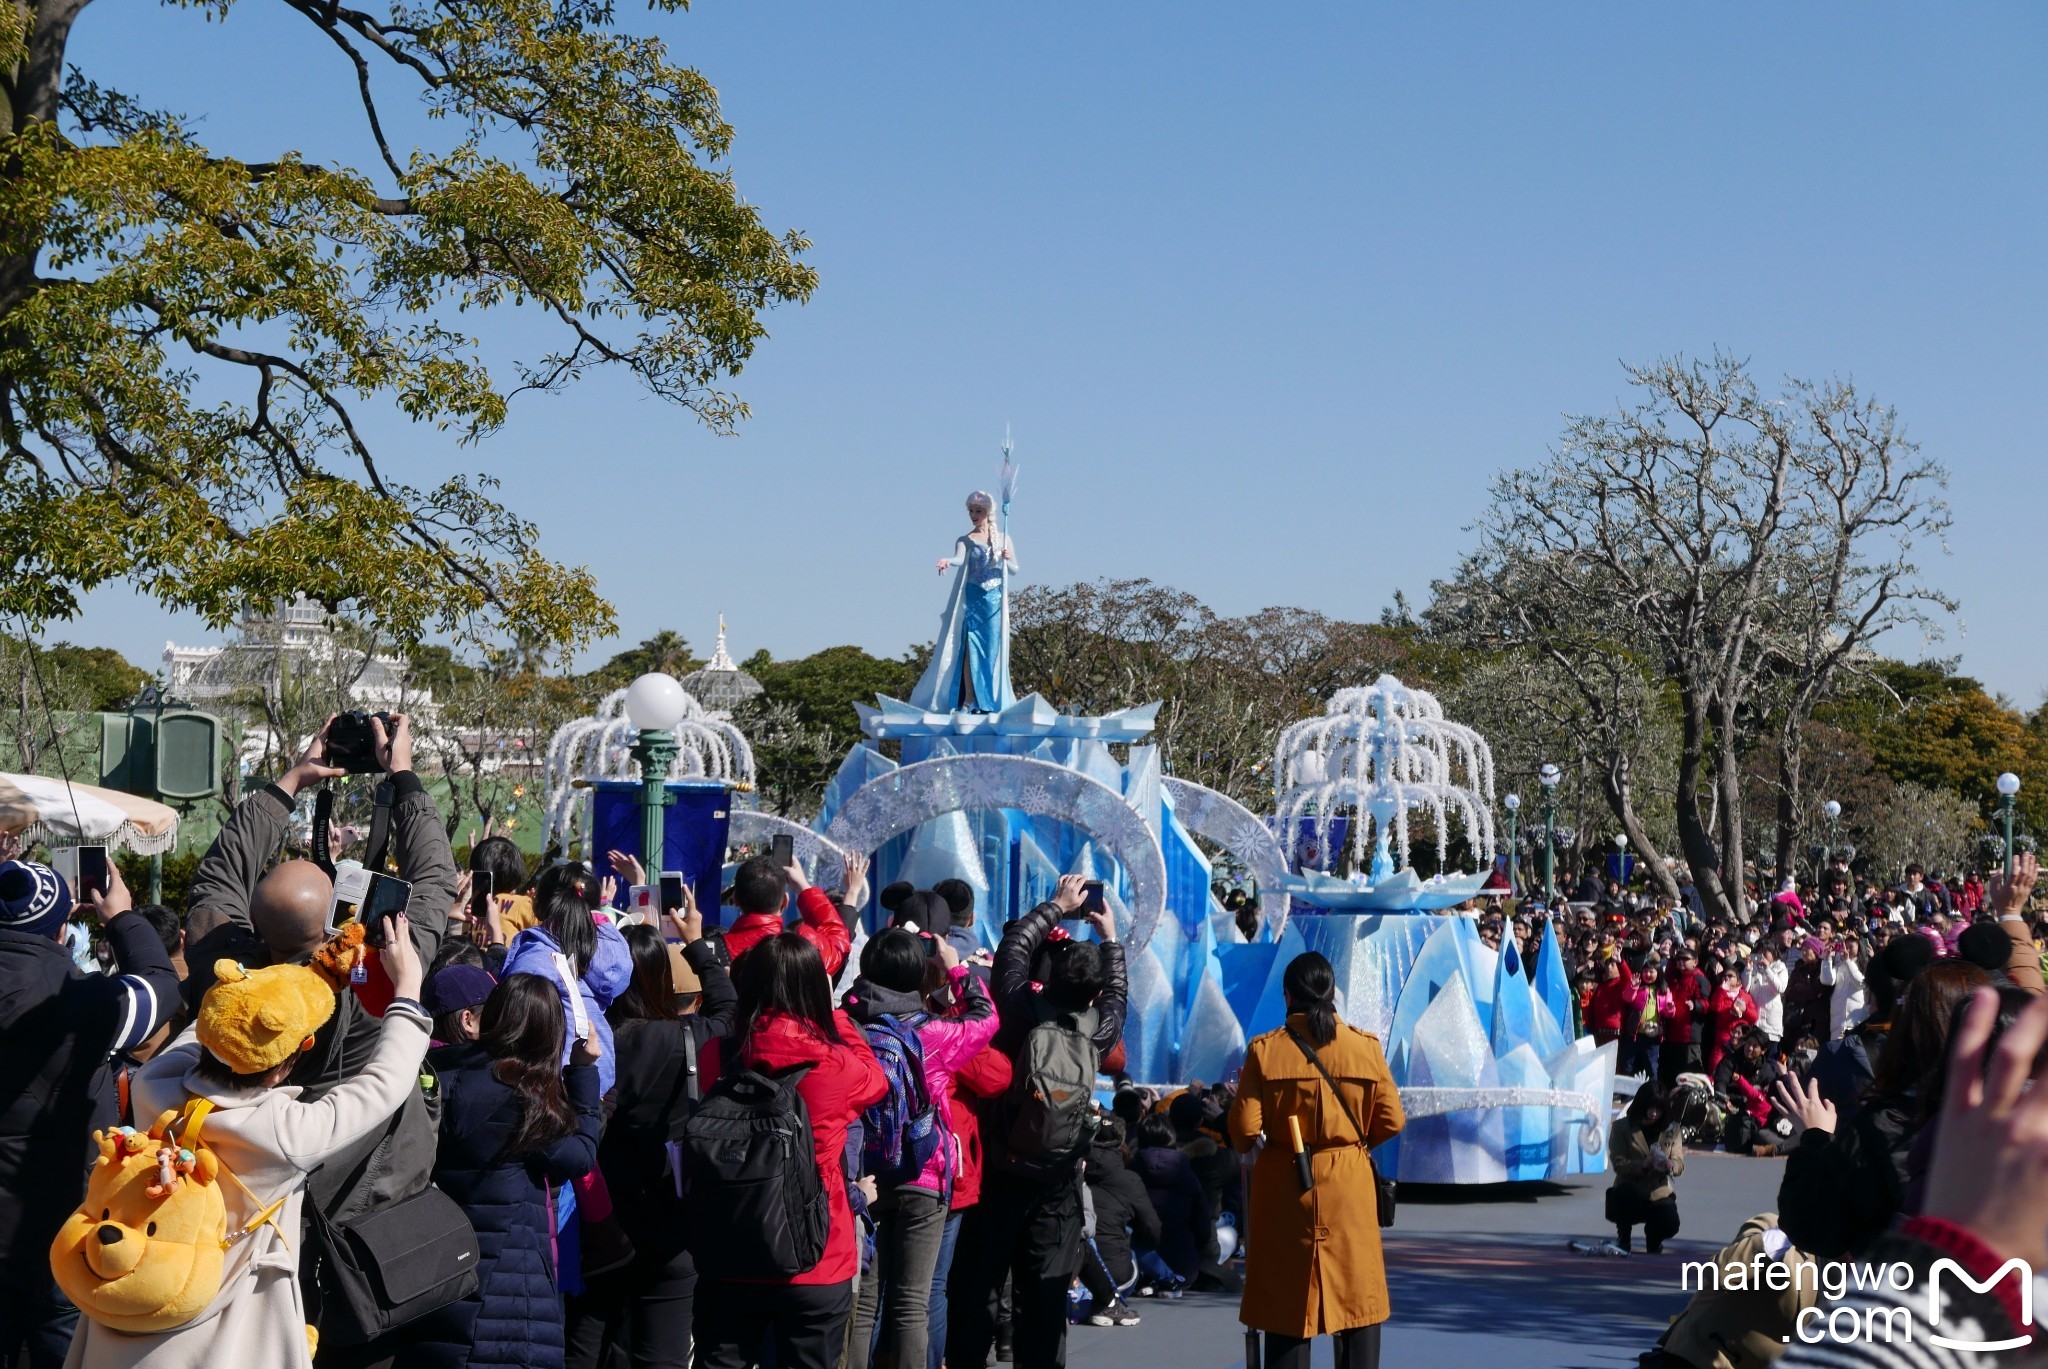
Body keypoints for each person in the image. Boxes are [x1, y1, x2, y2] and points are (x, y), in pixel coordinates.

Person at [64, 914, 430, 1369]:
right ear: (285, 1065)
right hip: (226, 1341)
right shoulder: (282, 1135)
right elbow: (383, 1084)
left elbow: (201, 1033)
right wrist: (407, 988)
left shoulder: (152, 1087)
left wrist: (272, 982)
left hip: (124, 1330)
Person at [0, 860, 178, 1367]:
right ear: (62, 927)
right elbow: (161, 986)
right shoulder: (90, 1002)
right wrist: (122, 918)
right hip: (68, 1232)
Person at [946, 875, 1127, 1369]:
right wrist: (1110, 937)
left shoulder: (1020, 1008)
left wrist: (1055, 905)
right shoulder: (1101, 1032)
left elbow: (1013, 949)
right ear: (1092, 994)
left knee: (977, 1286)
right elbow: (1119, 994)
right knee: (1043, 1299)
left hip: (1002, 1169)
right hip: (1058, 1177)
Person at [691, 934, 886, 1369]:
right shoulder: (837, 1065)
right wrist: (839, 1020)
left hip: (730, 1243)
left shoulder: (716, 1054)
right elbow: (876, 1082)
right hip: (816, 1251)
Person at [392, 974, 601, 1369]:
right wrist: (583, 1073)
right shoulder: (524, 1098)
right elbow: (579, 1156)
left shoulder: (432, 1079)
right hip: (507, 1292)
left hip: (433, 1279)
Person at [1229, 951, 1404, 1369]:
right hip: (1349, 1182)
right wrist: (1352, 1144)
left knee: (1287, 1303)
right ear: (1331, 995)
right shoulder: (1364, 1048)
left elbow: (1243, 1132)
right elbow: (1392, 1120)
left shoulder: (1265, 1052)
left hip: (1287, 1182)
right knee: (1357, 1297)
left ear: (1287, 996)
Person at [842, 925, 998, 1369]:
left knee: (865, 1302)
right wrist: (956, 970)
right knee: (912, 1304)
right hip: (925, 1171)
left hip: (865, 1176)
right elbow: (987, 1019)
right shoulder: (937, 1032)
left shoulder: (848, 1028)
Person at [1770, 960, 1992, 1261]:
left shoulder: (1881, 1126)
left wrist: (1816, 1139)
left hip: (1889, 1293)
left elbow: (1815, 1227)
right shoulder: (2006, 1125)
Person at [907, 489, 1020, 716]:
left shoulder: (1004, 537)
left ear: (988, 512)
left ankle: (990, 700)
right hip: (974, 599)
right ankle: (969, 699)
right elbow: (959, 559)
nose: (974, 514)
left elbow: (1015, 570)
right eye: (971, 510)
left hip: (994, 602)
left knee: (991, 650)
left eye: (978, 510)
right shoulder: (965, 539)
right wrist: (947, 560)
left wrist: (1008, 560)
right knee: (970, 648)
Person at [1077, 1119, 1155, 1328]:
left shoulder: (1069, 1167)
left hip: (1071, 1269)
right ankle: (1108, 1301)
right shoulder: (1129, 1179)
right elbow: (1151, 1229)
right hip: (1115, 1272)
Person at [720, 854, 851, 978]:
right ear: (785, 901)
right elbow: (839, 944)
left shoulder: (710, 950)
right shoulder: (802, 951)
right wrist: (803, 887)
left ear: (735, 899)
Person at [1126, 1114, 1207, 1293]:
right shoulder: (1188, 1176)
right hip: (1183, 1265)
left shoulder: (1129, 1172)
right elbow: (1203, 1228)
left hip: (1136, 1267)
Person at [1606, 1082, 1684, 1253]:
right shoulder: (1621, 1128)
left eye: (1659, 1109)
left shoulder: (1673, 1129)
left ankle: (1654, 1239)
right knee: (1624, 1194)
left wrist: (1670, 1165)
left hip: (1658, 1192)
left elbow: (1679, 1162)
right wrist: (1644, 1164)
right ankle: (1623, 1238)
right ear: (1640, 1105)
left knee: (1670, 1222)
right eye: (1649, 1108)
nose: (1654, 1114)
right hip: (1630, 1189)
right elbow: (1619, 1164)